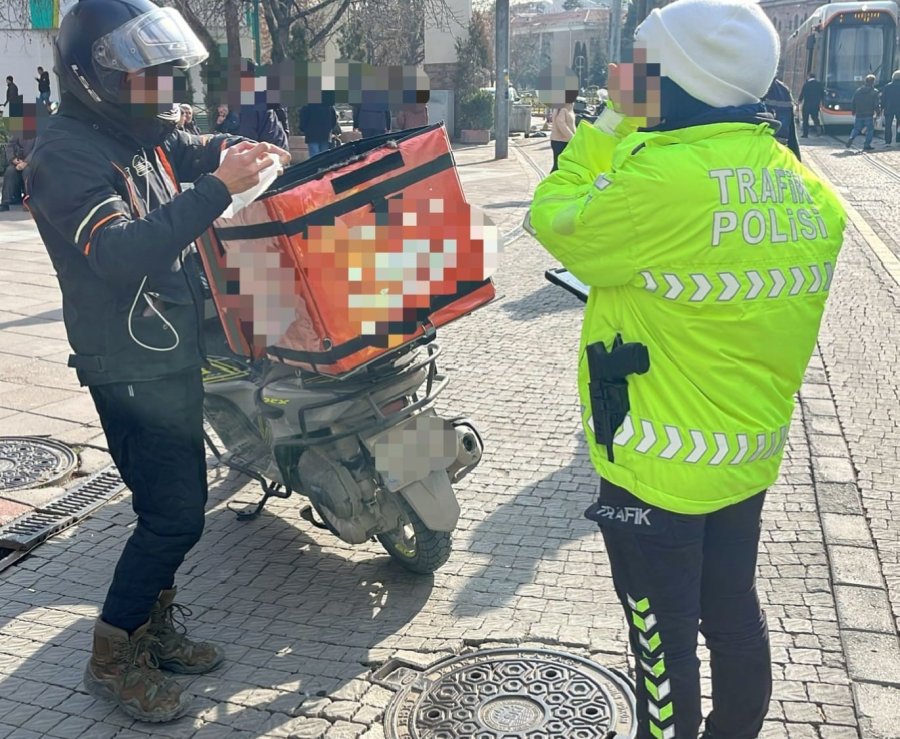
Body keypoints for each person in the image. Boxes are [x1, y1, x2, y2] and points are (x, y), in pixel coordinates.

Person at [526, 0, 846, 737]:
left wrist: (609, 123)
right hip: (746, 457)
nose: (627, 77)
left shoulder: (658, 184)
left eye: (641, 66)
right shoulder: (811, 193)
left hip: (655, 467)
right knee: (732, 610)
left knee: (659, 635)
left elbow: (550, 212)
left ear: (677, 77)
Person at [24, 0, 290, 724]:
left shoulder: (138, 135)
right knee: (174, 515)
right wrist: (217, 191)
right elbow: (118, 252)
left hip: (166, 349)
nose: (165, 94)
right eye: (149, 80)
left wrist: (245, 153)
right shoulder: (67, 154)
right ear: (94, 79)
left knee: (163, 509)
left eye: (166, 78)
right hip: (128, 362)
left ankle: (151, 626)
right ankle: (113, 651)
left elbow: (197, 149)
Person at [762, 78, 800, 160]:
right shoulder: (783, 91)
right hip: (778, 154)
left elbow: (791, 133)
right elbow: (792, 136)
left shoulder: (747, 88)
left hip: (771, 153)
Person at [0, 135, 34, 211]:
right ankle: (5, 202)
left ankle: (29, 201)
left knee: (27, 171)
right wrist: (13, 159)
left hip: (33, 163)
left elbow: (38, 149)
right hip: (18, 161)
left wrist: (26, 162)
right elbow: (10, 146)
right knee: (10, 171)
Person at [846, 74, 880, 151]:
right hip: (869, 114)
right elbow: (876, 104)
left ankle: (851, 137)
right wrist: (878, 112)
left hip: (859, 113)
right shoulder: (875, 92)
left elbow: (853, 102)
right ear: (873, 82)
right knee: (870, 130)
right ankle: (866, 144)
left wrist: (853, 110)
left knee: (856, 129)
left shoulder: (858, 91)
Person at [549, 102, 576, 171]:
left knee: (561, 165)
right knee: (559, 166)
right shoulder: (563, 107)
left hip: (563, 141)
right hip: (560, 141)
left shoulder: (566, 106)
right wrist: (572, 137)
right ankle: (552, 181)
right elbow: (561, 123)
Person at [798, 73, 824, 137]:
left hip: (807, 105)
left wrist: (799, 101)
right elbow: (822, 94)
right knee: (815, 118)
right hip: (815, 105)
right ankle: (818, 129)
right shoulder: (819, 84)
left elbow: (802, 94)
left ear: (808, 77)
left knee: (805, 120)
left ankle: (805, 134)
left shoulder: (806, 85)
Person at [881, 70, 900, 145]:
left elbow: (883, 98)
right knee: (899, 125)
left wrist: (882, 107)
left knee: (888, 126)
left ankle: (888, 141)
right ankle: (898, 140)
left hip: (889, 108)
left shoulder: (887, 86)